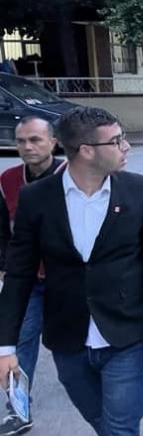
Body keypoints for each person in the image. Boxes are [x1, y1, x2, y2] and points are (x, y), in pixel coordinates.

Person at [0, 106, 143, 435]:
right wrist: (6, 346)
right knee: (102, 422)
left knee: (120, 425)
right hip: (67, 337)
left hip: (128, 332)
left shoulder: (138, 190)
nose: (126, 147)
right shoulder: (36, 198)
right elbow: (19, 275)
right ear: (86, 151)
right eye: (116, 141)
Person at [0, 117, 65, 435]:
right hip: (29, 281)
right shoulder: (9, 179)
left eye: (36, 139)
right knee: (19, 344)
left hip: (70, 282)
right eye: (22, 140)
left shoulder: (72, 175)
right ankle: (18, 410)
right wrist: (4, 264)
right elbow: (3, 229)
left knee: (83, 342)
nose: (28, 146)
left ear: (53, 142)